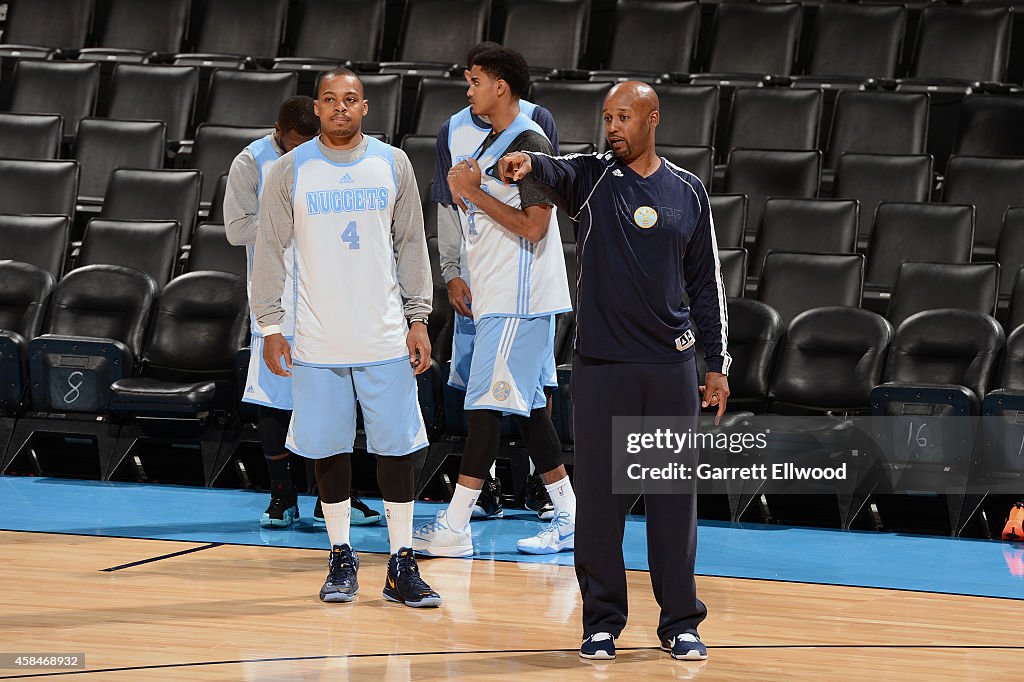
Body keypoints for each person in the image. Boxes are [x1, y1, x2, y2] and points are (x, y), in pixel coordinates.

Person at [497, 81, 731, 661]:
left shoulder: (688, 191)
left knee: (672, 498)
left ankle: (681, 621)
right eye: (607, 117)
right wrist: (526, 162)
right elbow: (553, 167)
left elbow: (707, 285)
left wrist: (715, 362)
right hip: (602, 366)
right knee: (601, 500)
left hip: (670, 366)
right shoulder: (593, 175)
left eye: (624, 117)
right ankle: (601, 622)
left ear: (653, 119)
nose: (613, 128)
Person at [252, 68, 441, 607]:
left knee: (397, 450)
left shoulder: (391, 162)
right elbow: (268, 251)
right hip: (316, 338)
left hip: (384, 335)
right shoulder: (290, 170)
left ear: (366, 107)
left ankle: (402, 563)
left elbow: (411, 245)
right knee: (328, 450)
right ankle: (341, 556)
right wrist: (270, 326)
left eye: (350, 100)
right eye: (330, 100)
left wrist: (419, 317)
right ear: (316, 108)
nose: (340, 108)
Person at [411, 47, 576, 558]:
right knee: (526, 411)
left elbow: (536, 226)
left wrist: (473, 192)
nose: (469, 91)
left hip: (518, 299)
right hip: (498, 298)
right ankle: (571, 515)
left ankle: (456, 524)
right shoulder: (488, 142)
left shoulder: (531, 145)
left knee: (483, 407)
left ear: (500, 86)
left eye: (475, 81)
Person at [224, 96, 381, 530]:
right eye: (293, 143)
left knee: (333, 399)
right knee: (273, 399)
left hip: (328, 293)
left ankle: (334, 497)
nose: (299, 151)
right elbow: (237, 229)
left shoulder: (328, 156)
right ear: (278, 131)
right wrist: (290, 219)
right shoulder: (250, 161)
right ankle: (282, 495)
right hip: (278, 299)